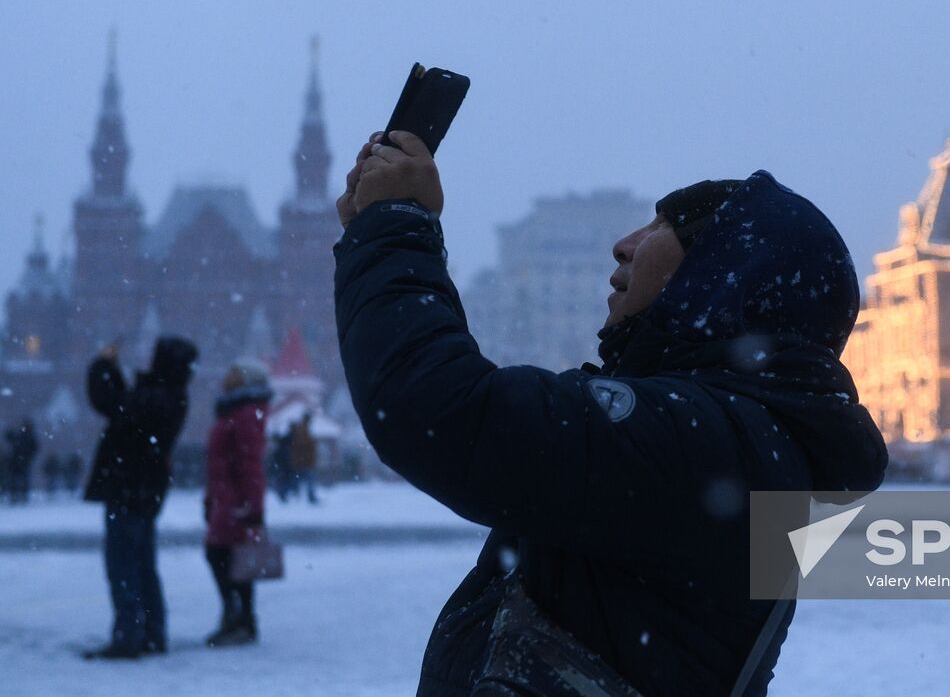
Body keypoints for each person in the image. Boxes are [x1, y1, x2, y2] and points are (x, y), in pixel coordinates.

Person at [333, 131, 888, 696]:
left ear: (723, 275)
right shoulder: (738, 437)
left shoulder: (705, 439)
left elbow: (438, 406)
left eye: (661, 228)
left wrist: (396, 222)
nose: (625, 244)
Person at [82, 337, 198, 659]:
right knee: (143, 565)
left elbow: (111, 403)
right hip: (145, 492)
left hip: (128, 490)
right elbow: (124, 404)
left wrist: (103, 365)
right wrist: (114, 371)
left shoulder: (158, 396)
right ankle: (151, 632)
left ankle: (129, 637)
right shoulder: (171, 395)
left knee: (123, 566)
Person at [203, 358, 272, 646]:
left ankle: (239, 619)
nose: (227, 376)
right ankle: (239, 618)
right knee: (228, 557)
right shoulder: (236, 410)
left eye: (234, 372)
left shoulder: (245, 413)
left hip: (235, 501)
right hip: (225, 498)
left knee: (226, 557)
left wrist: (253, 508)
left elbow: (250, 463)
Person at [4, 418, 39, 504]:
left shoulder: (23, 435)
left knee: (16, 478)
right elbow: (35, 448)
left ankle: (17, 495)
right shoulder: (27, 436)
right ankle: (19, 495)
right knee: (20, 478)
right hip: (20, 461)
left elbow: (10, 438)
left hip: (18, 461)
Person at [289, 411, 319, 504]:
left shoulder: (303, 429)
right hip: (304, 461)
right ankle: (309, 496)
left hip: (302, 461)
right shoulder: (303, 429)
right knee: (308, 479)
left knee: (299, 479)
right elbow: (302, 445)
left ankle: (292, 493)